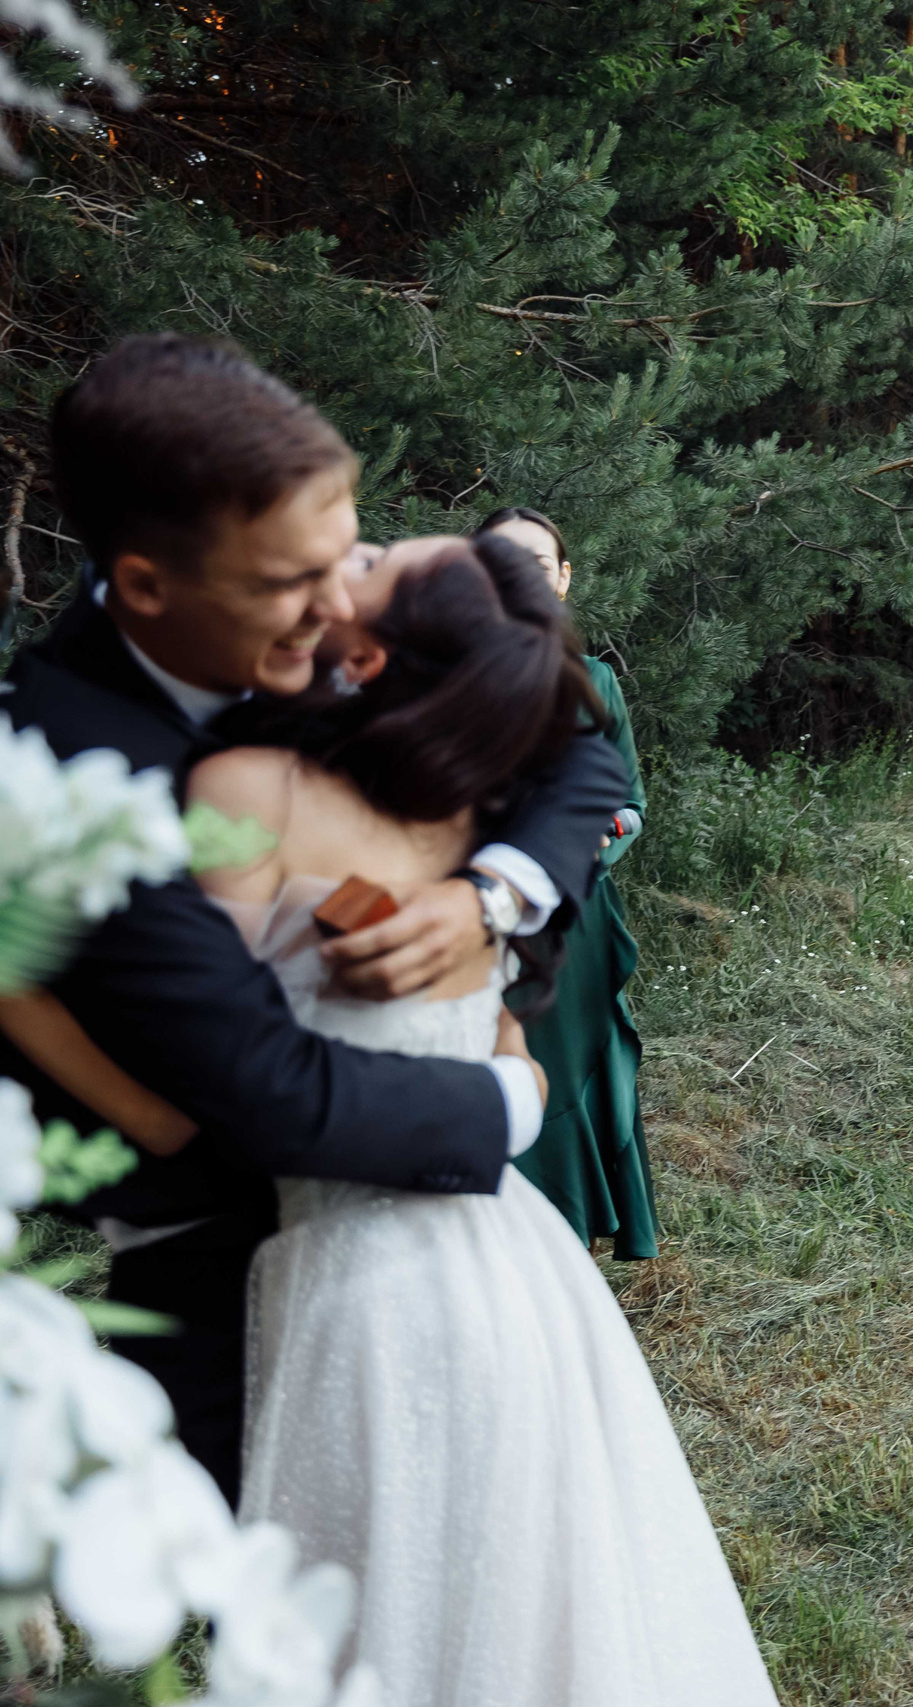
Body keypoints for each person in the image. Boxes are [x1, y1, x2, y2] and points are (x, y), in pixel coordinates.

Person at [3, 334, 624, 1502]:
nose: (339, 608)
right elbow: (270, 1093)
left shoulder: (299, 620)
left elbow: (574, 748)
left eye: (348, 558)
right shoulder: (68, 775)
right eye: (295, 582)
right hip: (227, 1283)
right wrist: (508, 1095)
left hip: (415, 1250)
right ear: (146, 584)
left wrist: (489, 893)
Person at [186, 534, 772, 1703]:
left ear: (366, 652)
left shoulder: (259, 794)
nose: (343, 552)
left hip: (366, 1281)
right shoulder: (467, 808)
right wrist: (507, 1094)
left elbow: (213, 1061)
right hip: (507, 1265)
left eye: (369, 559)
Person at [473, 506, 657, 1259]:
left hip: (574, 918)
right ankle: (492, 1244)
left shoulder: (597, 681)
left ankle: (565, 1246)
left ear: (563, 578)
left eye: (538, 564)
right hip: (473, 919)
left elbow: (631, 803)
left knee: (565, 1070)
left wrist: (596, 840)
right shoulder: (444, 677)